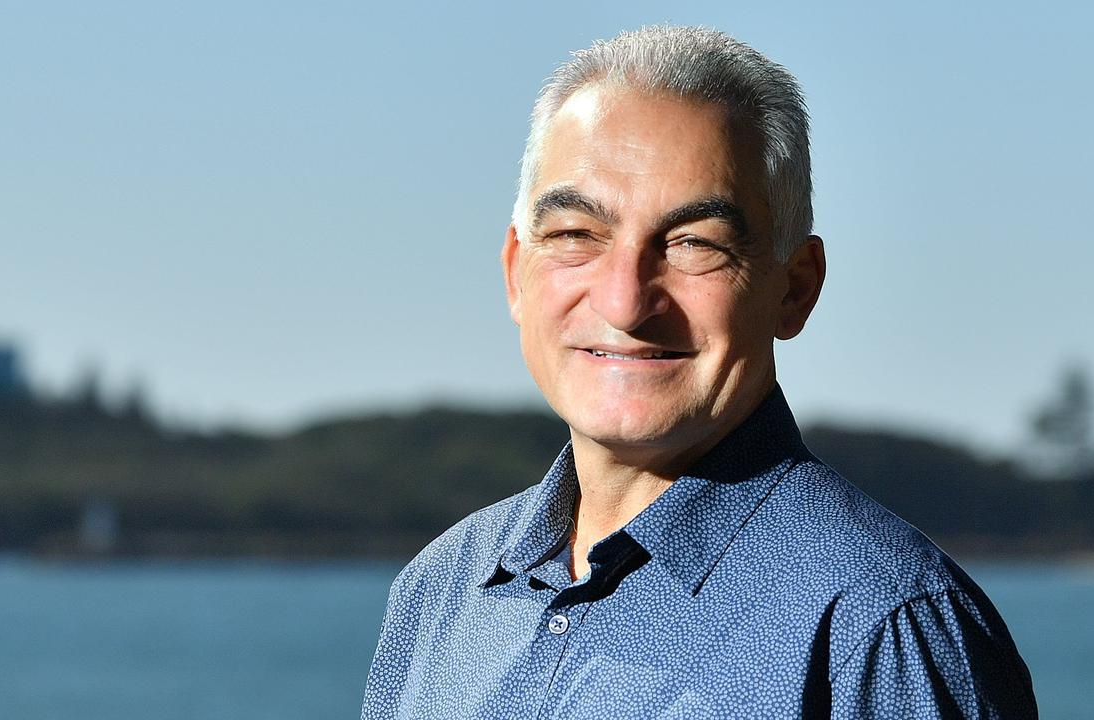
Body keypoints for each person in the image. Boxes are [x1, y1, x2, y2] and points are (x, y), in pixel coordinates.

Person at [362, 25, 1037, 718]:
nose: (625, 300)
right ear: (515, 273)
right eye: (575, 234)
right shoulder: (439, 592)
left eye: (693, 244)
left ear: (795, 287)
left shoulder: (882, 626)